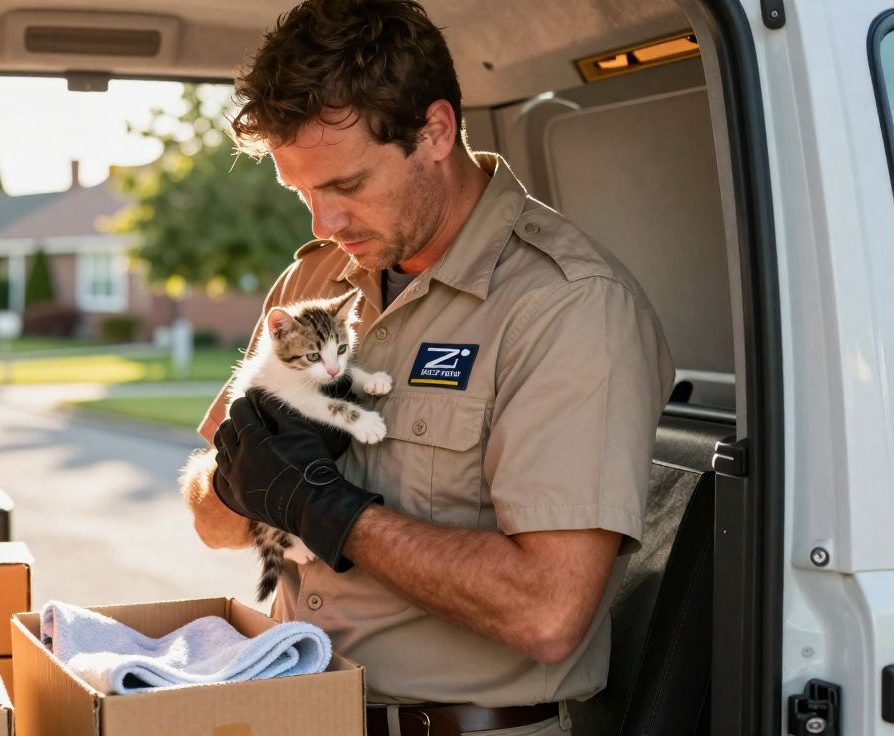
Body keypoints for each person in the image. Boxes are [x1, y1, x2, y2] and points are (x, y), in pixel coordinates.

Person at [188, 1, 676, 735]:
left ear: (436, 131)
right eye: (302, 194)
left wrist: (329, 510)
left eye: (347, 186)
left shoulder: (565, 305)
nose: (322, 223)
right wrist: (236, 480)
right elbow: (212, 525)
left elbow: (548, 613)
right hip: (295, 711)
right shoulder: (313, 283)